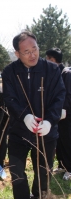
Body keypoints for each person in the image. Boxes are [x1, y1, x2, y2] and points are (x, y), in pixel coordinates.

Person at [2, 31, 65, 199]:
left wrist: (50, 121)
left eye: (35, 49)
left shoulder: (51, 70)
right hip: (19, 131)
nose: (32, 55)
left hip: (46, 133)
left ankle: (39, 195)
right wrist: (25, 116)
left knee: (43, 172)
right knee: (17, 171)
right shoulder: (10, 72)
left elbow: (59, 96)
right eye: (26, 52)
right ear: (17, 53)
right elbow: (9, 98)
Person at [46, 48, 71, 180]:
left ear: (54, 60)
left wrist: (63, 110)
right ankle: (62, 164)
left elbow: (68, 95)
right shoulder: (55, 73)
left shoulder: (66, 73)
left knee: (67, 140)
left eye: (48, 59)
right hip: (57, 114)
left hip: (66, 114)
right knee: (59, 140)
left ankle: (70, 169)